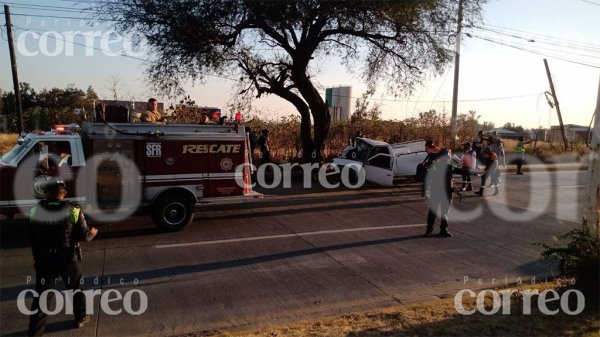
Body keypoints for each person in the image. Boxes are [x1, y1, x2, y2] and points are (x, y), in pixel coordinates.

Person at [27, 178, 98, 336]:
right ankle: (80, 318)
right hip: (67, 259)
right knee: (77, 289)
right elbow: (85, 236)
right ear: (64, 193)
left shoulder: (34, 211)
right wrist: (93, 232)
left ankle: (34, 332)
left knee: (42, 296)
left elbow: (30, 237)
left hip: (44, 260)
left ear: (46, 193)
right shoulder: (73, 210)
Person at [422, 148, 454, 238]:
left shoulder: (448, 166)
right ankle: (431, 229)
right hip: (439, 192)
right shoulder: (436, 166)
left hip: (444, 192)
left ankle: (440, 230)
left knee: (442, 212)